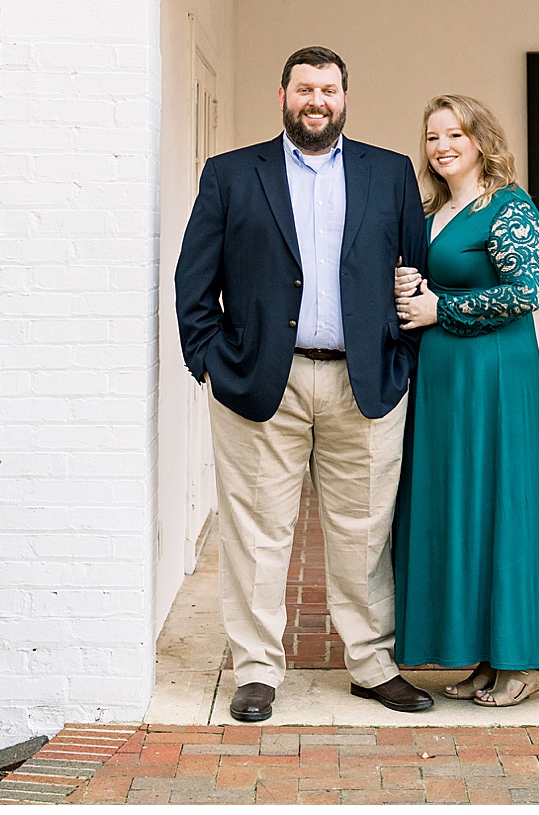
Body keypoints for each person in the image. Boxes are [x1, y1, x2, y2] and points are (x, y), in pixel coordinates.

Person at [173, 45, 436, 723]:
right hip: (262, 380)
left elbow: (416, 270)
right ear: (283, 94)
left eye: (327, 89)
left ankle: (373, 664)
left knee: (364, 530)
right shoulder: (231, 174)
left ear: (344, 96)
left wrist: (400, 355)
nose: (315, 100)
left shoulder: (390, 172)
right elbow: (193, 280)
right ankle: (256, 669)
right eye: (303, 89)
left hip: (366, 380)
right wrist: (209, 359)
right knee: (258, 533)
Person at [391, 94, 539, 707]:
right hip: (443, 372)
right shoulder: (434, 211)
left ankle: (523, 659)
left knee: (501, 499)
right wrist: (412, 287)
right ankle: (484, 656)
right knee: (459, 502)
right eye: (433, 136)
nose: (442, 147)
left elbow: (526, 292)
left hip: (494, 367)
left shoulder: (510, 207)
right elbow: (432, 280)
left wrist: (442, 307)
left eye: (455, 134)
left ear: (482, 140)